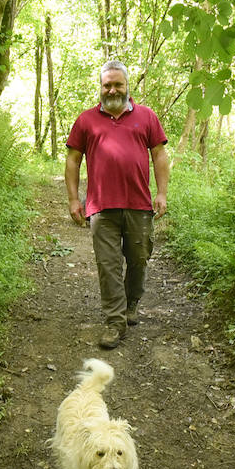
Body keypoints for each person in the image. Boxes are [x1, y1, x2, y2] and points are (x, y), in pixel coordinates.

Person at [65, 61, 170, 350]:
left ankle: (131, 303)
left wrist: (161, 193)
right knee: (108, 265)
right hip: (101, 207)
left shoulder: (147, 116)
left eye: (117, 84)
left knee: (138, 260)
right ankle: (115, 321)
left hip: (139, 204)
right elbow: (73, 160)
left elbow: (159, 155)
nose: (112, 89)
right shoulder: (86, 120)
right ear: (100, 88)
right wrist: (74, 199)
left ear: (127, 86)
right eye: (107, 84)